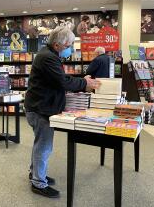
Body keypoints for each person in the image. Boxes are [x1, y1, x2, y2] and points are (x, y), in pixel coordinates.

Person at [24, 27, 101, 198]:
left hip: (40, 107)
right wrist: (84, 83)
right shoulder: (48, 57)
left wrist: (81, 82)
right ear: (58, 45)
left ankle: (35, 173)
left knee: (40, 144)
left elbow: (58, 81)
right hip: (40, 109)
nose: (71, 47)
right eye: (69, 44)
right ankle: (38, 182)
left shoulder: (49, 55)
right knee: (44, 146)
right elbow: (62, 81)